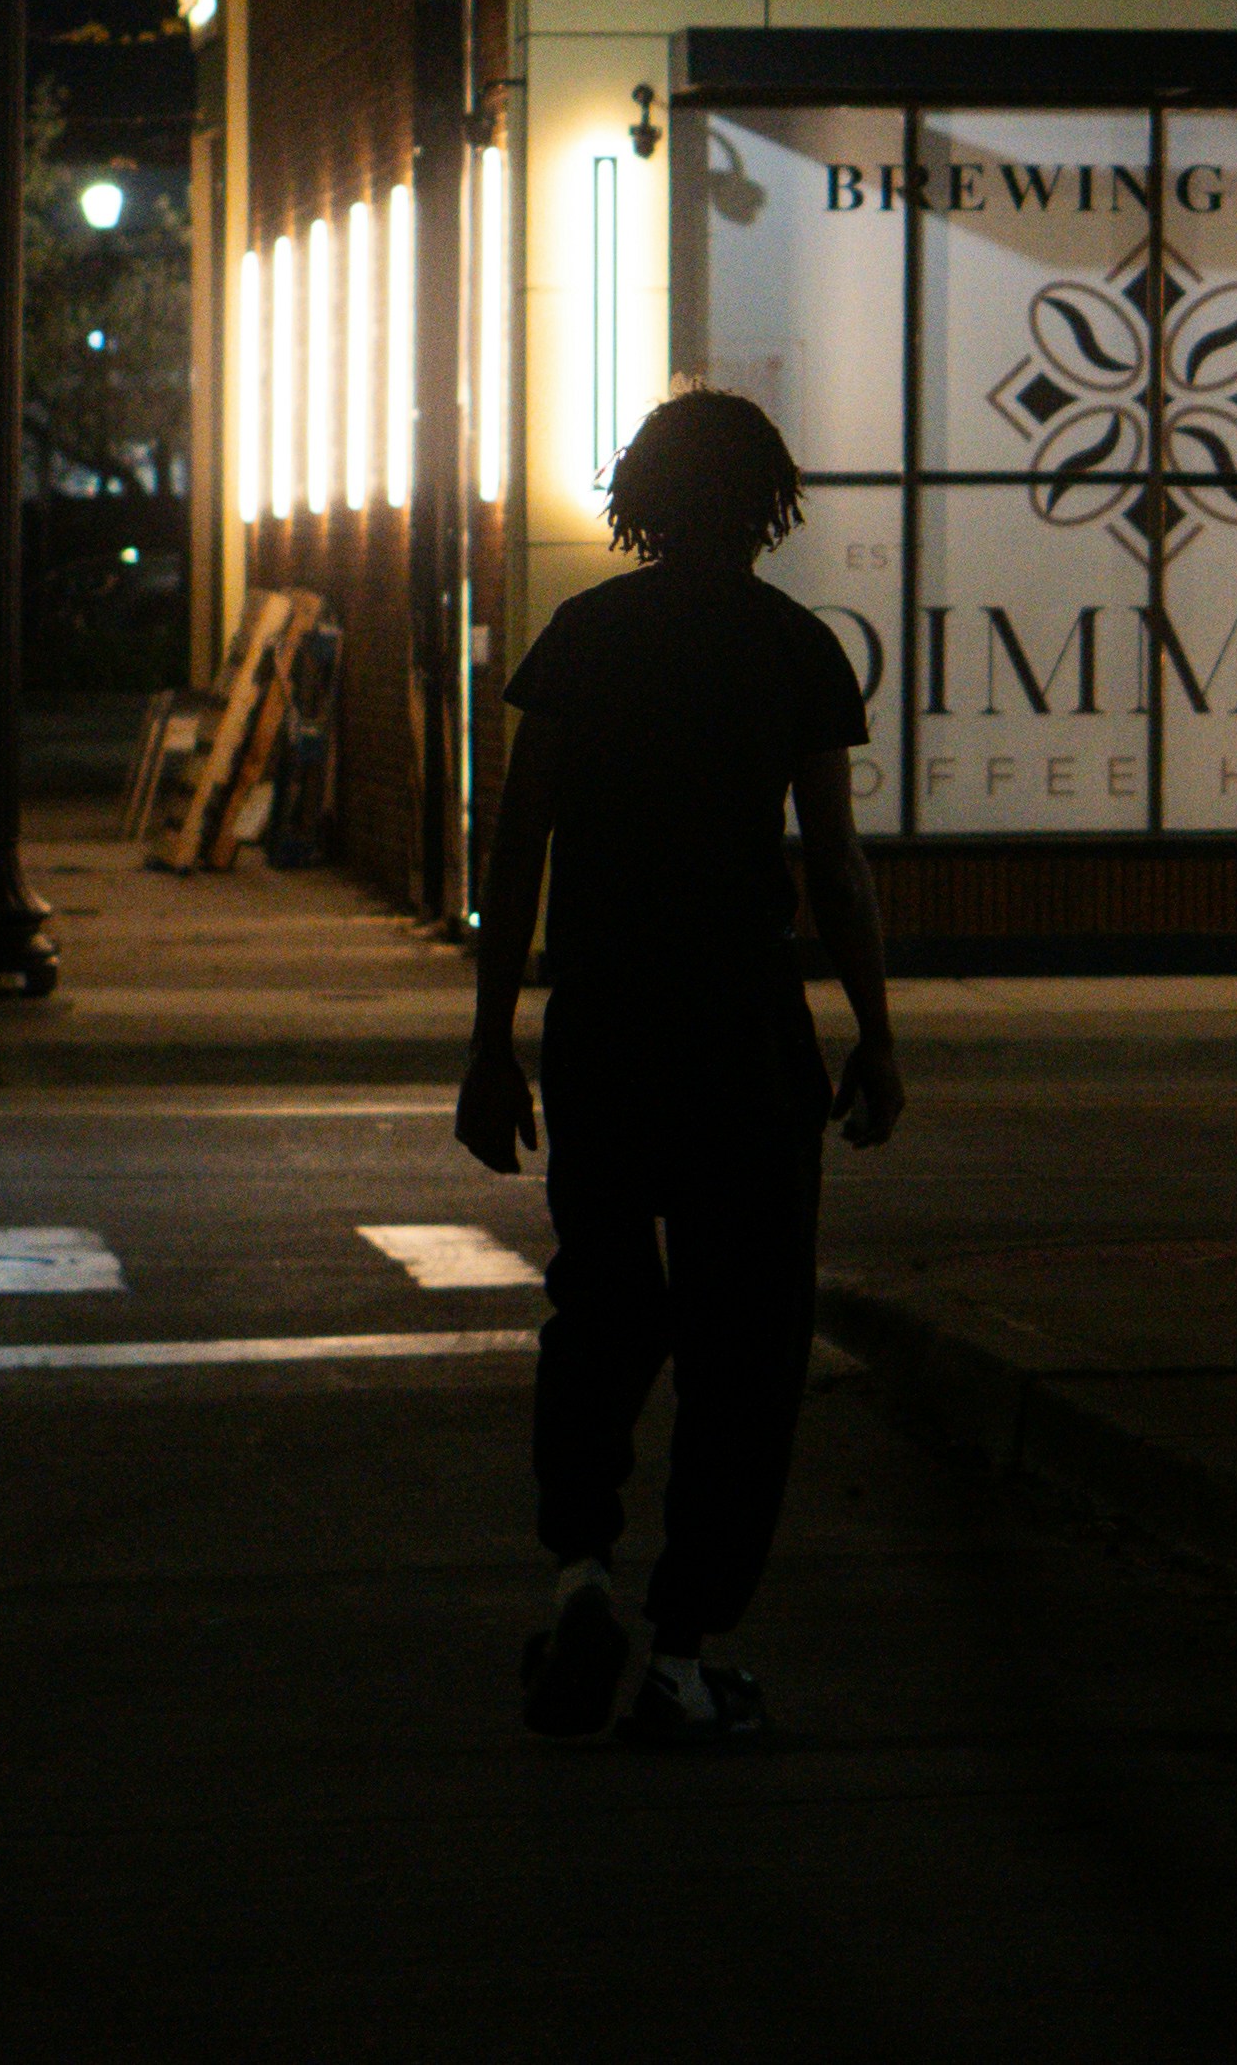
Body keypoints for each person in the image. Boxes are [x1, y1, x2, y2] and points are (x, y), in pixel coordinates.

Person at [458, 386, 903, 1746]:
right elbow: (828, 862)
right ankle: (684, 1652)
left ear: (638, 498)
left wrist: (490, 1042)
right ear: (770, 504)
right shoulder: (793, 648)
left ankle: (581, 1565)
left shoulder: (586, 639)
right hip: (741, 1035)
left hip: (605, 1024)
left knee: (600, 1311)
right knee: (743, 1347)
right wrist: (878, 1033)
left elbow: (518, 843)